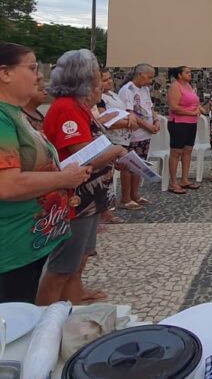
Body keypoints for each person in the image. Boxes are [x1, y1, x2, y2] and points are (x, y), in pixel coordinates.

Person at [0, 43, 89, 304]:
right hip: (5, 246)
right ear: (4, 74)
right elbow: (5, 185)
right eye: (32, 68)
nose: (40, 75)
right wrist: (63, 178)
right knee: (11, 326)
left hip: (26, 240)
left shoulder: (11, 113)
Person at [40, 50, 126, 305]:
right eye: (97, 75)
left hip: (90, 193)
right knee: (63, 262)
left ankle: (74, 292)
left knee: (83, 251)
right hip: (75, 194)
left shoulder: (80, 107)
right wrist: (118, 151)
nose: (101, 82)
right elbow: (82, 154)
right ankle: (45, 313)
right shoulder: (67, 108)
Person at [95, 70, 137, 226]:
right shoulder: (99, 99)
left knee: (118, 171)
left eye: (110, 78)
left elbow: (126, 111)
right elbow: (105, 120)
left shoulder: (113, 94)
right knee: (106, 175)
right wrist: (128, 122)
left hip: (123, 137)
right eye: (104, 80)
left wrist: (131, 118)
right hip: (111, 138)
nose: (109, 82)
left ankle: (109, 208)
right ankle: (104, 210)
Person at [117, 64, 160, 209]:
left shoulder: (145, 89)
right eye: (149, 77)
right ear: (140, 74)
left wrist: (156, 120)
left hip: (145, 135)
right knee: (128, 166)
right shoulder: (127, 90)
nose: (150, 81)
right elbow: (130, 113)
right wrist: (147, 126)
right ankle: (125, 197)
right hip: (132, 135)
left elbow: (150, 108)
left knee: (139, 166)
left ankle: (135, 194)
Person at [166, 66, 202, 193]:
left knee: (187, 151)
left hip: (191, 123)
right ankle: (173, 182)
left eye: (190, 72)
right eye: (187, 72)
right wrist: (190, 113)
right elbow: (174, 107)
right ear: (180, 75)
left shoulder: (189, 86)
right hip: (178, 123)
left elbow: (193, 102)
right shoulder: (175, 87)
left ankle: (185, 179)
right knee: (176, 152)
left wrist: (198, 109)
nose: (190, 74)